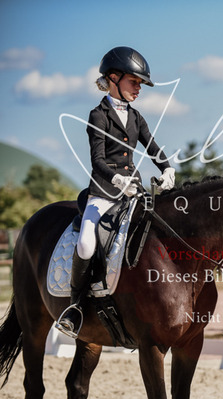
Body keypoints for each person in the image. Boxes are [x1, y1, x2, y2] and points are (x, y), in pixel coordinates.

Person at [56, 46, 175, 338]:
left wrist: (167, 168)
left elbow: (152, 146)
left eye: (140, 83)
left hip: (133, 191)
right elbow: (97, 159)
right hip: (103, 193)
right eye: (134, 81)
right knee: (86, 243)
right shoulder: (98, 115)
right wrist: (116, 179)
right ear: (113, 78)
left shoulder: (136, 117)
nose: (138, 88)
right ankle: (75, 307)